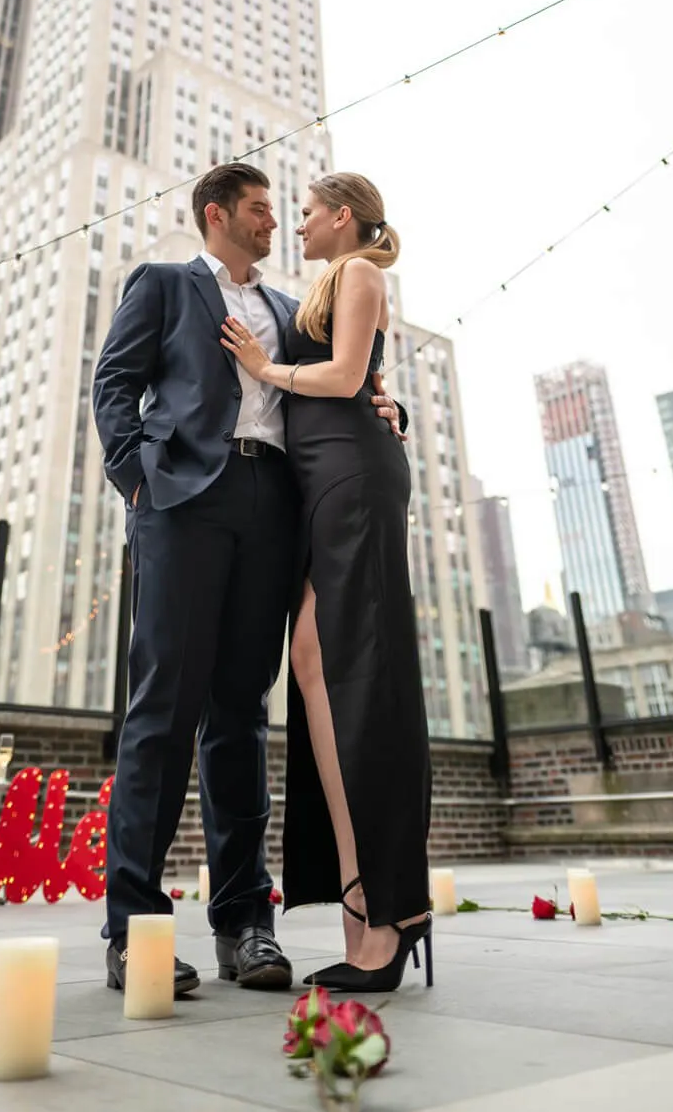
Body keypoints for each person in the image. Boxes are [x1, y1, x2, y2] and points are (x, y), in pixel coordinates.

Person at [92, 163, 402, 997]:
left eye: (283, 210)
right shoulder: (162, 285)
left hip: (271, 508)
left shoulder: (289, 307)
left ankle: (244, 923)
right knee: (163, 709)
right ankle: (137, 930)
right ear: (217, 213)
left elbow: (343, 373)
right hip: (183, 504)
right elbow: (114, 383)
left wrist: (388, 407)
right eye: (263, 209)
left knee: (241, 718)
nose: (277, 221)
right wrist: (137, 481)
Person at [219, 171, 433, 993]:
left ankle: (383, 913)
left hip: (352, 481)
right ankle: (364, 890)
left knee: (357, 677)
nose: (297, 222)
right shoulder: (325, 283)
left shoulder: (361, 271)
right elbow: (366, 380)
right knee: (311, 659)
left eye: (306, 210)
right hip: (326, 483)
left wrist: (268, 370)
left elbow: (347, 377)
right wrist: (388, 402)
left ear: (342, 217)